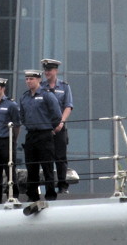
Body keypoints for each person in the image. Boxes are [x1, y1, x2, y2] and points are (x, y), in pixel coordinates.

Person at [19, 69, 62, 202]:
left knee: (47, 166)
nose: (28, 81)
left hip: (44, 134)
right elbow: (22, 116)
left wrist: (50, 127)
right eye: (27, 79)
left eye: (31, 79)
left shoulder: (47, 95)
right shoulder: (24, 97)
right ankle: (32, 196)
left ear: (38, 79)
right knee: (31, 167)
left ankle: (50, 194)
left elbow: (57, 115)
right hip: (31, 135)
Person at [40, 58, 74, 194]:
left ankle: (62, 185)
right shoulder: (41, 87)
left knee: (60, 158)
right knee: (46, 158)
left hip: (59, 127)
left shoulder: (64, 87)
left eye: (49, 70)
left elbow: (68, 106)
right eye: (45, 70)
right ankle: (49, 187)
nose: (47, 72)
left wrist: (61, 122)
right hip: (45, 128)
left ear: (56, 71)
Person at [0, 77, 21, 204]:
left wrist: (13, 140)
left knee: (10, 170)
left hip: (6, 141)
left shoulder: (11, 105)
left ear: (3, 89)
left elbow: (17, 125)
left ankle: (13, 195)